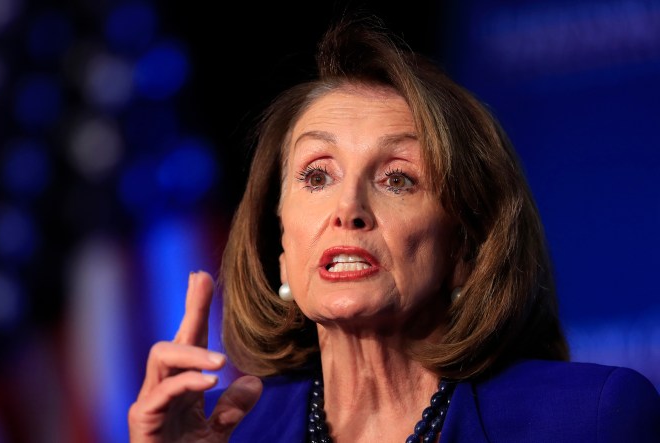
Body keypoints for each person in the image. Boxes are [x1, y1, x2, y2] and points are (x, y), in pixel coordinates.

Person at [128, 13, 660, 443]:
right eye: (317, 175)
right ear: (280, 250)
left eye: (398, 179)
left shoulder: (589, 419)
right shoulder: (225, 433)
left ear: (465, 248)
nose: (349, 208)